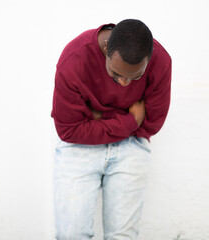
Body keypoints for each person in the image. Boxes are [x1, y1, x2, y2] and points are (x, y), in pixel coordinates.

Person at [51, 19, 172, 240]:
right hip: (78, 149)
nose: (125, 83)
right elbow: (68, 130)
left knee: (122, 236)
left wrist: (95, 115)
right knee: (71, 235)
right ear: (106, 49)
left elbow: (152, 123)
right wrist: (129, 120)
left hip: (131, 147)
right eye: (116, 74)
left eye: (134, 77)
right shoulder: (74, 59)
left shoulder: (161, 61)